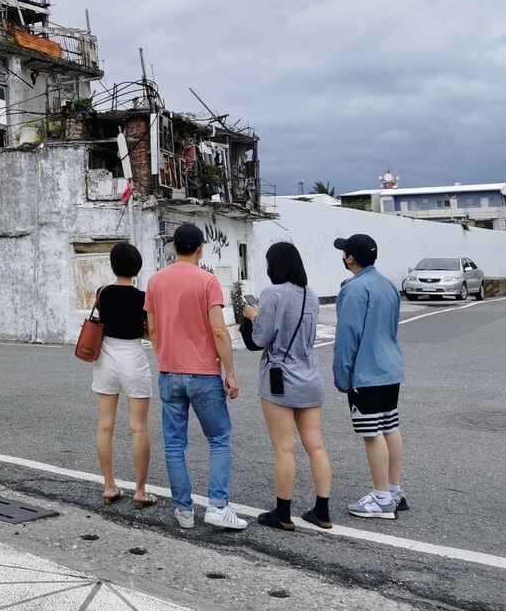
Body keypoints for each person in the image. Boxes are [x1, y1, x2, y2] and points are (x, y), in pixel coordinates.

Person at [144, 223, 247, 530]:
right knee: (218, 439)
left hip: (169, 371)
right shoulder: (207, 281)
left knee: (174, 443)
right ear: (201, 248)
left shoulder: (155, 281)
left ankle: (184, 510)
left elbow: (151, 328)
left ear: (173, 246)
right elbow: (218, 330)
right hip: (203, 373)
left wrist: (165, 354)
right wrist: (231, 373)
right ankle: (217, 506)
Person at [243, 242, 333, 530]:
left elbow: (259, 339)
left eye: (268, 262)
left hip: (279, 378)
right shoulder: (312, 295)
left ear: (276, 265)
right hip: (310, 376)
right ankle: (322, 511)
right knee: (316, 445)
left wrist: (251, 316)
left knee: (284, 448)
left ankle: (282, 513)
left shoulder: (273, 293)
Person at [332, 233, 406, 520]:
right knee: (390, 427)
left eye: (344, 252)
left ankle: (381, 498)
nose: (343, 255)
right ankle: (394, 491)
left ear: (350, 258)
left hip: (366, 372)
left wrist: (342, 377)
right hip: (390, 367)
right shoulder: (387, 285)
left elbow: (348, 336)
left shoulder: (354, 289)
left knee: (371, 434)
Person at [91, 242, 155, 509]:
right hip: (133, 357)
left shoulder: (102, 293)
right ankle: (140, 491)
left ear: (112, 265)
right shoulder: (143, 298)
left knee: (105, 425)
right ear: (137, 267)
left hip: (106, 357)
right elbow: (150, 332)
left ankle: (109, 486)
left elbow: (102, 323)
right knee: (138, 427)